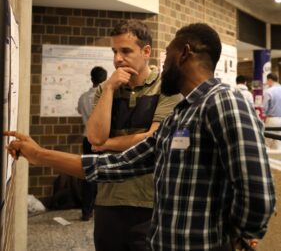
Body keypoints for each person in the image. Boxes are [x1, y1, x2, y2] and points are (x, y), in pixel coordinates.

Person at [5, 23, 276, 251]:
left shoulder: (223, 101)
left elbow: (258, 191)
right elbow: (114, 165)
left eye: (166, 54)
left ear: (184, 53)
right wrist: (39, 155)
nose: (163, 62)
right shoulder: (180, 116)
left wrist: (240, 235)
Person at [86, 20, 181, 251]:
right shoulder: (105, 89)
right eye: (114, 51)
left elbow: (155, 139)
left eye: (126, 51)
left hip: (150, 201)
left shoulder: (166, 87)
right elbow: (94, 138)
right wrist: (109, 88)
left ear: (146, 51)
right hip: (108, 198)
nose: (118, 58)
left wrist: (108, 143)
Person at [77, 66, 107, 220]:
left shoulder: (83, 97)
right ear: (105, 80)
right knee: (104, 174)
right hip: (103, 140)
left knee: (88, 174)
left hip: (87, 138)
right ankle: (102, 210)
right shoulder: (106, 97)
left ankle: (86, 211)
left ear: (92, 79)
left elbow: (80, 111)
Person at [263, 72, 281, 149]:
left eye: (267, 81)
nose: (266, 83)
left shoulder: (268, 91)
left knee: (267, 143)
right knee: (278, 144)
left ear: (270, 80)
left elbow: (265, 107)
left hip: (272, 119)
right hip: (280, 120)